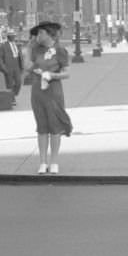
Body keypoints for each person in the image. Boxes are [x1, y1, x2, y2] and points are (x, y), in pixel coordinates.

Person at [24, 21, 73, 174]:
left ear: (49, 34)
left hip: (54, 92)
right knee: (42, 127)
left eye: (40, 33)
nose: (37, 36)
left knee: (55, 127)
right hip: (38, 92)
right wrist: (28, 48)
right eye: (37, 33)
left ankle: (54, 161)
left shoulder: (60, 50)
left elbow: (67, 73)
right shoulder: (35, 49)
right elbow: (27, 67)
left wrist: (53, 75)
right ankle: (42, 162)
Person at [0, 28, 24, 107]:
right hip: (8, 67)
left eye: (13, 35)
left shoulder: (17, 45)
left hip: (17, 67)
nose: (13, 37)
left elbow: (20, 56)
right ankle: (12, 99)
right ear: (8, 37)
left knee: (19, 83)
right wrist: (3, 67)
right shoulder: (3, 46)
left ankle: (13, 95)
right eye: (11, 36)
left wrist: (22, 66)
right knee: (9, 85)